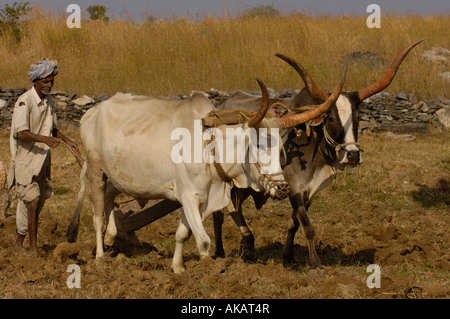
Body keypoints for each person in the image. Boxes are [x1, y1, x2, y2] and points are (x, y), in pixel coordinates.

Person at [8, 58, 80, 256]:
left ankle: (19, 244)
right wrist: (44, 139)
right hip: (26, 160)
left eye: (51, 81)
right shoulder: (25, 101)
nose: (49, 85)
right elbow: (21, 132)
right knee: (32, 201)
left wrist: (67, 140)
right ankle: (33, 249)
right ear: (36, 82)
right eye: (45, 82)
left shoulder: (49, 101)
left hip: (42, 161)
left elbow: (52, 128)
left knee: (33, 204)